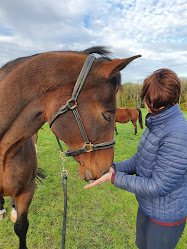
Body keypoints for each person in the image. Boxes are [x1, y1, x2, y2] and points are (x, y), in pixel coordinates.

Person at [84, 68, 187, 249]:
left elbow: (158, 186)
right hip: (147, 208)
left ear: (149, 100)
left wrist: (114, 178)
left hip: (164, 218)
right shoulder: (156, 122)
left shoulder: (177, 133)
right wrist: (111, 168)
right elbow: (138, 160)